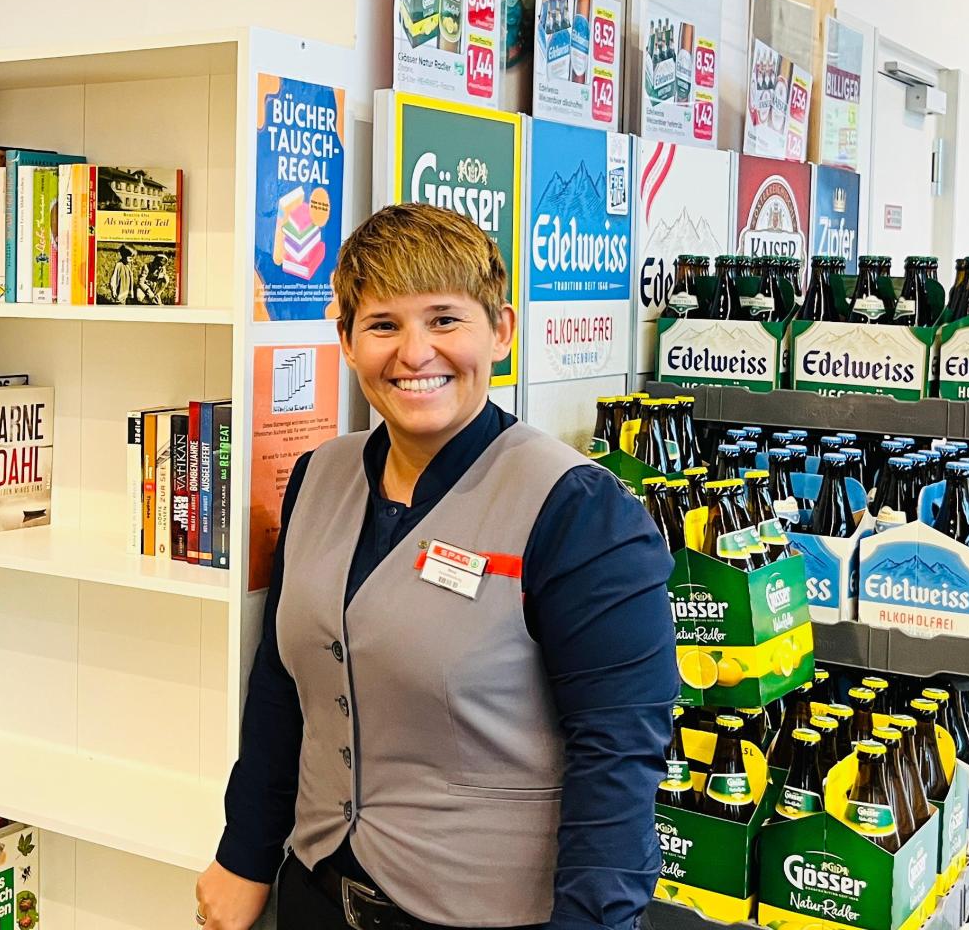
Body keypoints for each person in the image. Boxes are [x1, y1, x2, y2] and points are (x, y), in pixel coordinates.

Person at [194, 202, 677, 930]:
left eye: (445, 320)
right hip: (316, 895)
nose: (414, 353)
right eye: (383, 325)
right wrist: (245, 853)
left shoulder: (578, 512)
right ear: (348, 343)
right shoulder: (317, 476)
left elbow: (617, 757)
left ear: (501, 332)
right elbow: (280, 686)